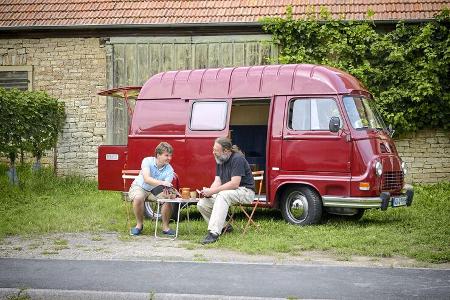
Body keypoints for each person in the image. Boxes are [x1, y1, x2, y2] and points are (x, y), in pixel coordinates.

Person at [197, 137, 255, 244]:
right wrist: (209, 192)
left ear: (226, 151)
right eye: (213, 149)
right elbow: (217, 181)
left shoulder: (237, 159)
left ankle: (214, 233)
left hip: (245, 191)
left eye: (216, 150)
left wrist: (213, 191)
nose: (213, 152)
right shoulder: (220, 160)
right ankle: (225, 227)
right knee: (202, 203)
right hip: (232, 192)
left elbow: (234, 183)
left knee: (223, 195)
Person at [128, 142, 176, 236]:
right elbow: (146, 179)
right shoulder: (147, 161)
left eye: (170, 155)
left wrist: (169, 192)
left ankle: (165, 228)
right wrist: (162, 183)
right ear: (158, 155)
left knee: (168, 199)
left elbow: (166, 186)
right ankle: (139, 225)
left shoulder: (169, 169)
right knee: (138, 198)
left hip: (155, 189)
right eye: (166, 155)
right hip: (140, 186)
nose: (169, 158)